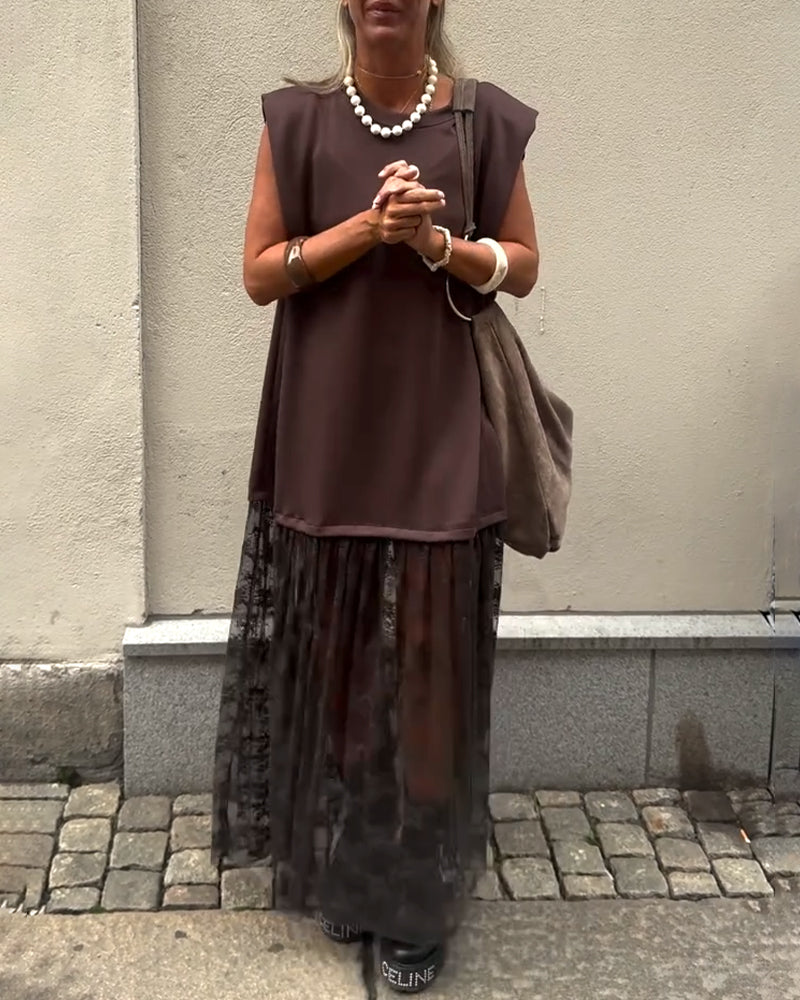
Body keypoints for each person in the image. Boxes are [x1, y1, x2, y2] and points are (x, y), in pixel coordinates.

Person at [211, 0, 540, 992]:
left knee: (433, 658)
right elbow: (260, 275)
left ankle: (416, 888)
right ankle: (359, 855)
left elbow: (522, 265)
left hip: (439, 422)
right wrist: (367, 227)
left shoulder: (481, 117)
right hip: (326, 426)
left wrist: (437, 243)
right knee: (341, 653)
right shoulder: (296, 120)